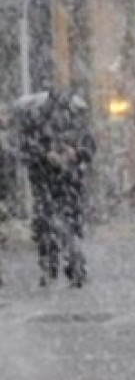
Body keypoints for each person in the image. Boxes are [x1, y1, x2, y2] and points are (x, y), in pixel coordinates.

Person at [14, 89, 96, 287]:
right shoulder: (67, 123)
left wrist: (73, 154)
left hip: (57, 184)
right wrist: (51, 156)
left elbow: (88, 149)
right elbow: (89, 148)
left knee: (54, 226)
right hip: (60, 183)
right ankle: (66, 268)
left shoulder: (39, 125)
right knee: (59, 227)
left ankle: (59, 268)